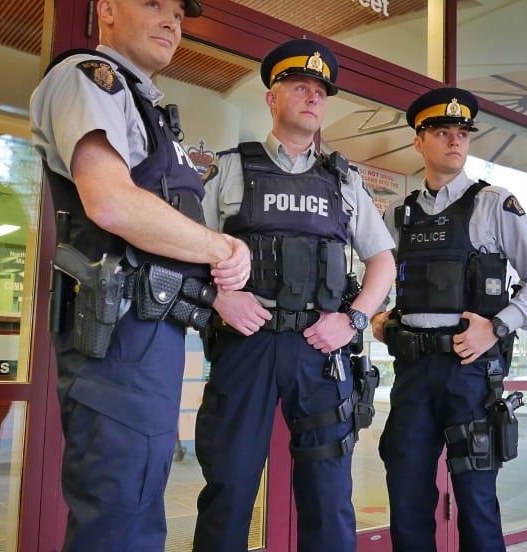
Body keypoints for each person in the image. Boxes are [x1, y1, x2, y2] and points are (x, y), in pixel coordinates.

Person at [29, 0, 251, 549]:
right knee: (118, 517)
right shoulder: (90, 80)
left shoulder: (146, 109)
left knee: (140, 504)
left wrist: (213, 285)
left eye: (178, 12)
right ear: (106, 8)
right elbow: (111, 204)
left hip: (148, 335)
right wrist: (220, 247)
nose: (172, 19)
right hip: (115, 342)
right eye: (153, 3)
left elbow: (158, 235)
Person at [194, 38, 396, 551]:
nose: (311, 98)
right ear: (272, 98)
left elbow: (383, 261)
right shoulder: (229, 169)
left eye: (320, 92)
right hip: (247, 345)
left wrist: (352, 320)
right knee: (229, 487)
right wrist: (219, 299)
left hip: (320, 348)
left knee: (329, 495)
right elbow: (185, 247)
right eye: (299, 87)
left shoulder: (343, 180)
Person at [371, 87, 527, 552]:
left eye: (461, 133)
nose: (454, 141)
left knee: (476, 499)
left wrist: (497, 325)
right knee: (408, 494)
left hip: (471, 373)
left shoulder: (495, 204)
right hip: (413, 372)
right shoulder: (399, 214)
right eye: (441, 132)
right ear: (419, 141)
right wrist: (379, 315)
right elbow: (378, 276)